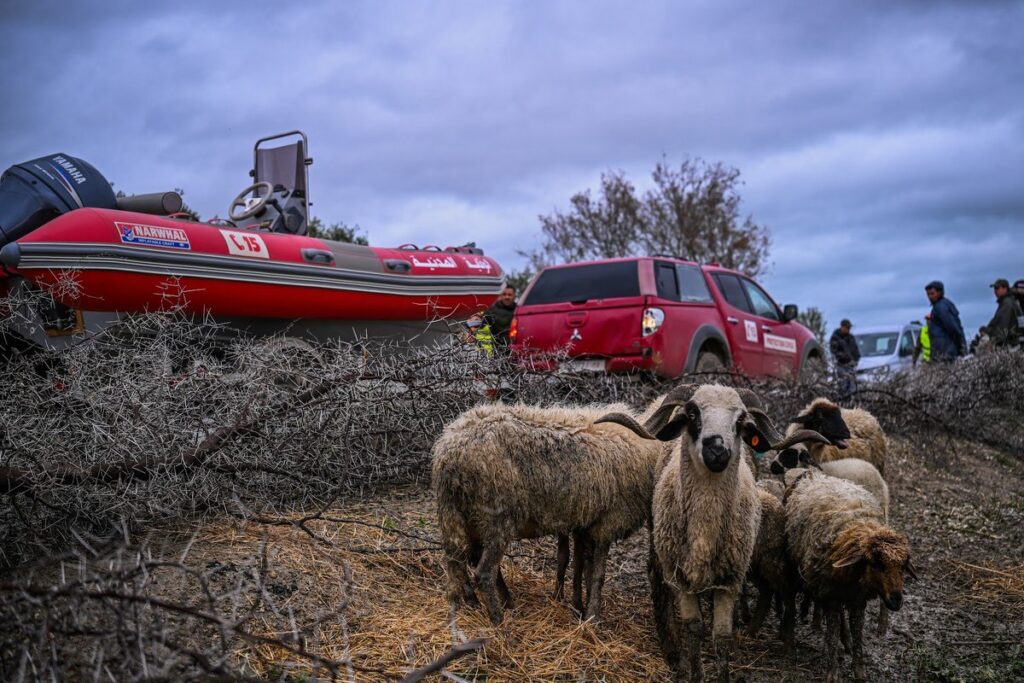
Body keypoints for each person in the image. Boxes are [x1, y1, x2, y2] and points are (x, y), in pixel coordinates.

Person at [924, 280, 966, 362]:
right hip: (944, 354)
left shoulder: (941, 307)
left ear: (940, 293)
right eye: (928, 294)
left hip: (945, 355)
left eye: (932, 293)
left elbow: (953, 329)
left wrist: (961, 348)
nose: (930, 297)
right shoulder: (942, 305)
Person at [985, 278, 1022, 348]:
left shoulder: (1007, 304)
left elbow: (1002, 325)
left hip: (1010, 344)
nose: (995, 291)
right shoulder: (1007, 302)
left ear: (1005, 288)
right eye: (994, 288)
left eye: (997, 288)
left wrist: (994, 342)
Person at [829, 318, 860, 397]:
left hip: (851, 365)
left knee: (852, 386)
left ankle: (852, 400)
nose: (848, 329)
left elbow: (855, 350)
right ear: (842, 327)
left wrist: (856, 359)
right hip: (841, 365)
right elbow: (834, 351)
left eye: (849, 328)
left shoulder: (851, 338)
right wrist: (843, 356)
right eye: (847, 327)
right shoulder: (835, 337)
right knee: (843, 385)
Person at [484, 285, 517, 352]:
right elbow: (481, 323)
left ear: (514, 296)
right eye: (504, 294)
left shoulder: (518, 311)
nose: (506, 297)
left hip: (515, 350)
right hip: (499, 352)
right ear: (501, 296)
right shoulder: (492, 311)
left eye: (509, 295)